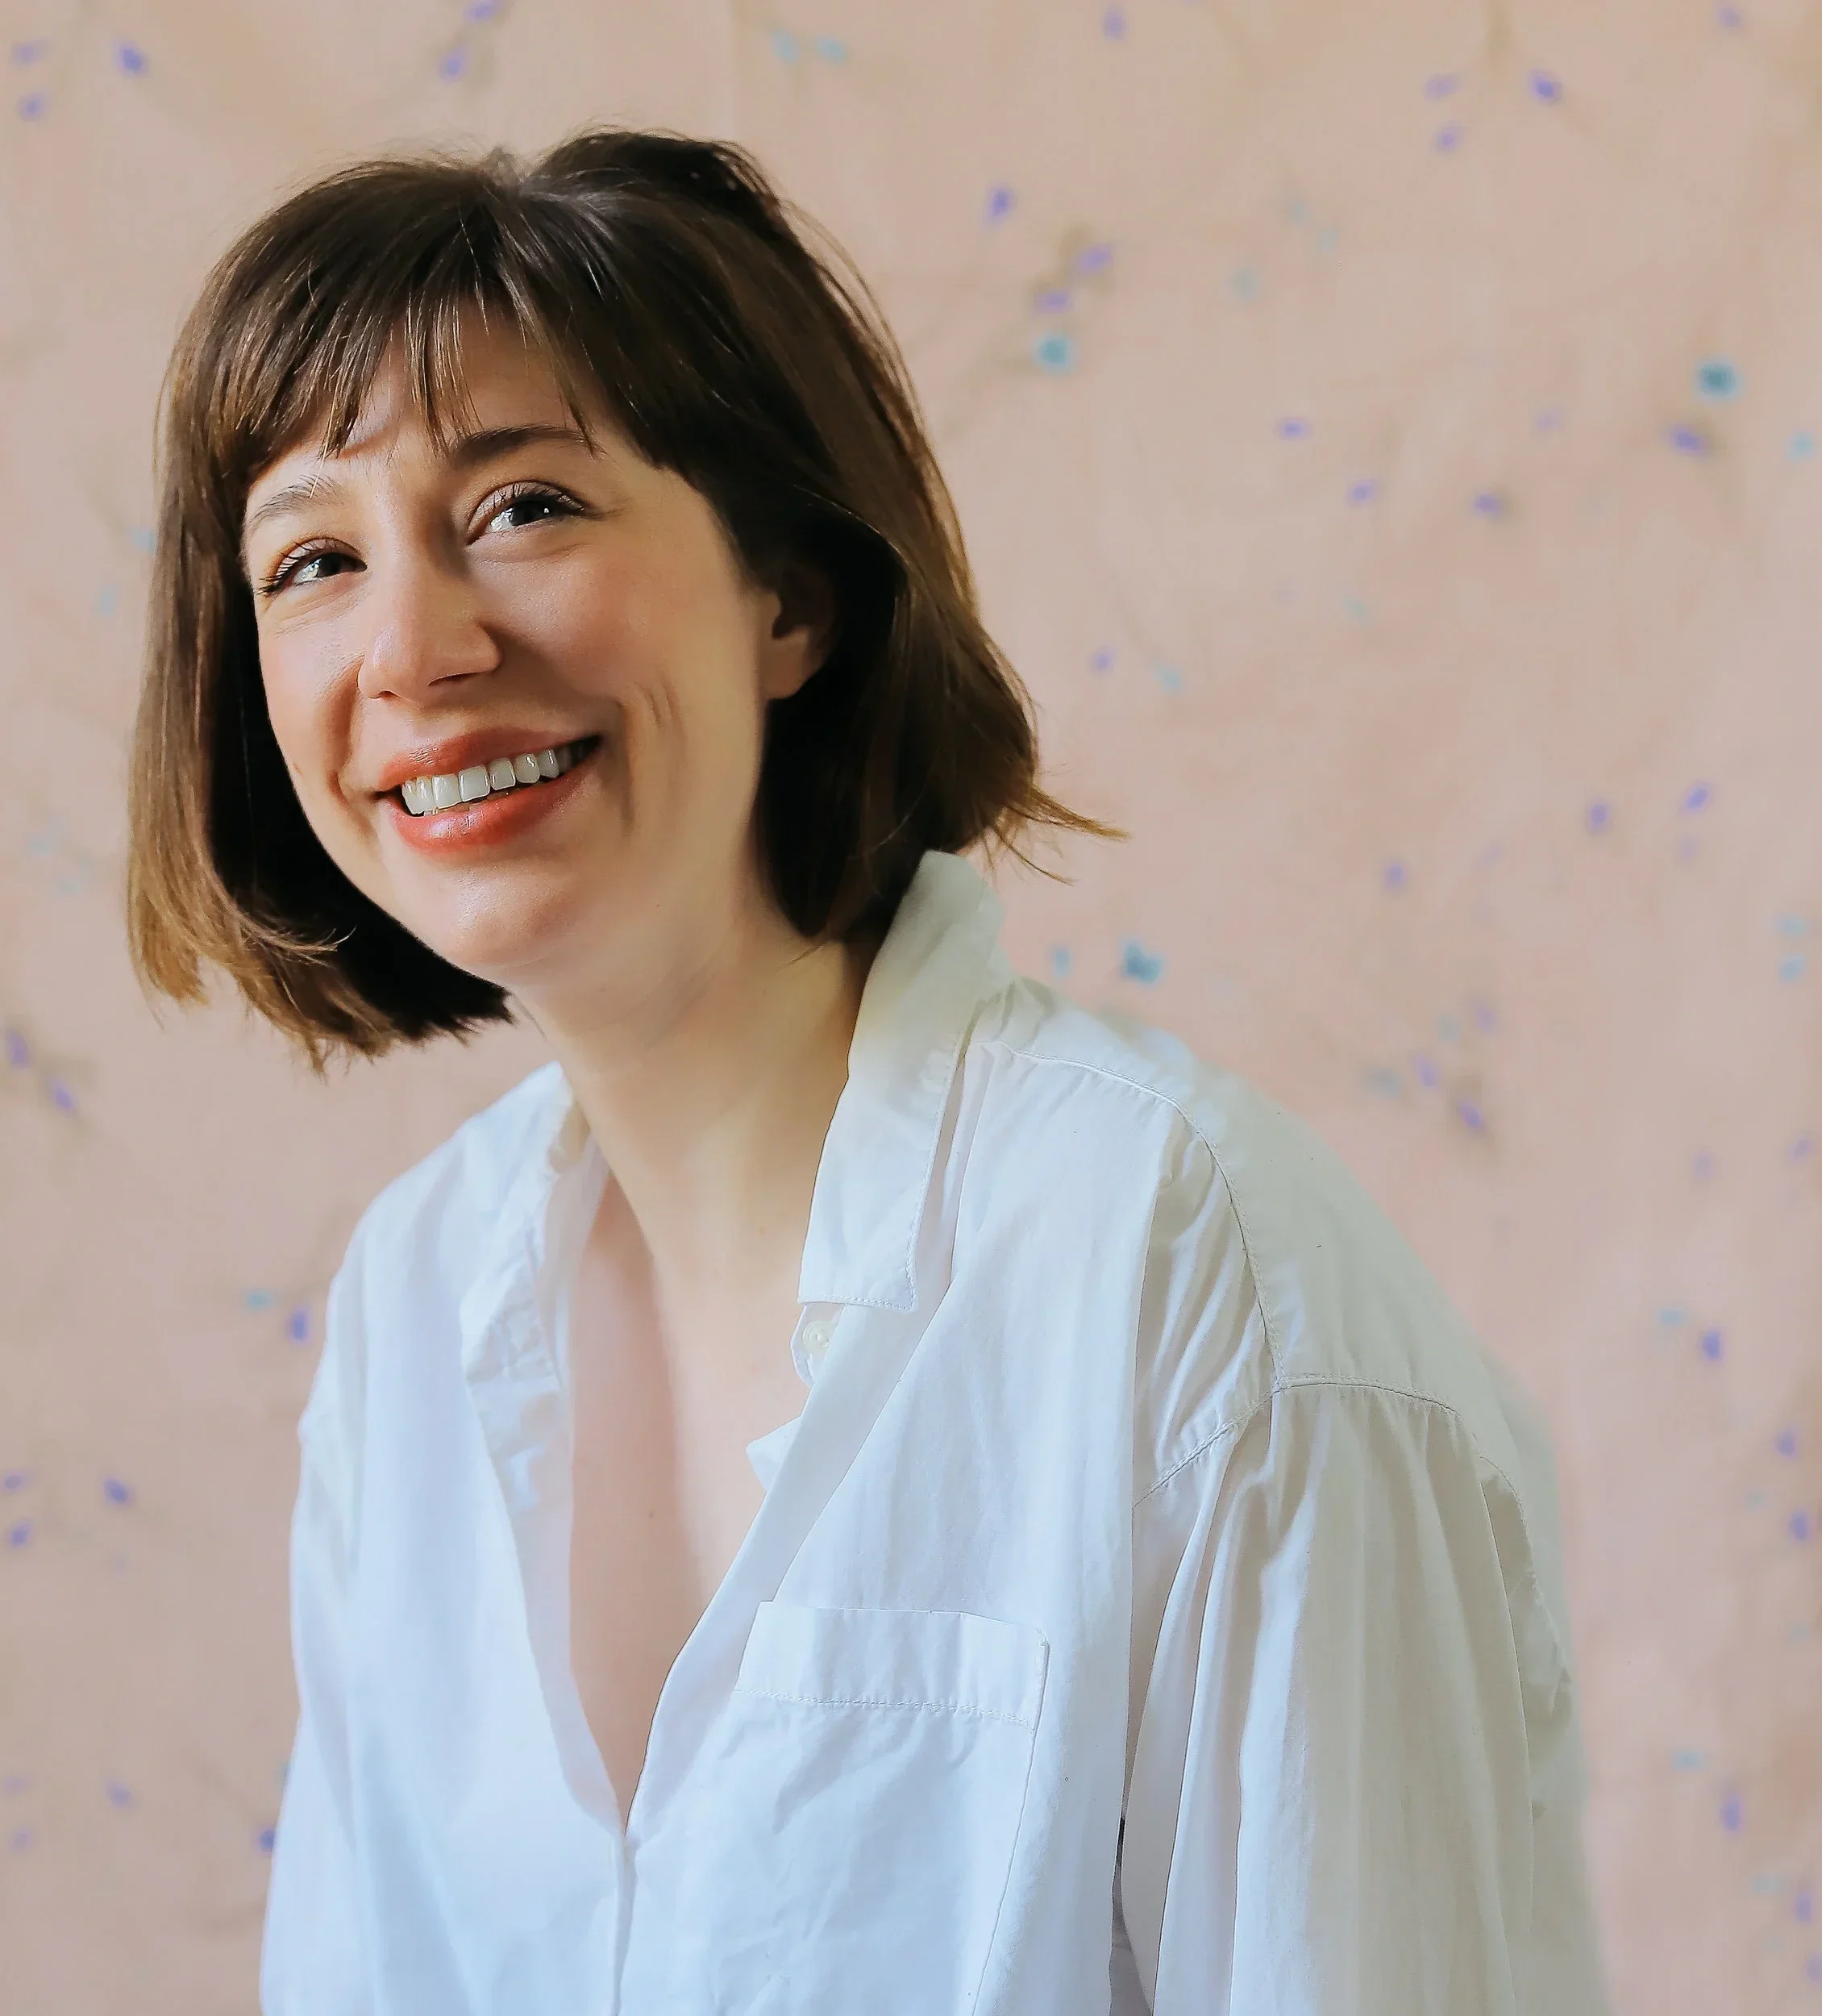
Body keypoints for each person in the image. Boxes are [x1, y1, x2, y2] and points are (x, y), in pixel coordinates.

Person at [126, 130, 1613, 2014]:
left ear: (790, 603)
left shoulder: (1193, 1273)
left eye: (524, 509)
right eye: (314, 557)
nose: (415, 646)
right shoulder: (410, 1309)